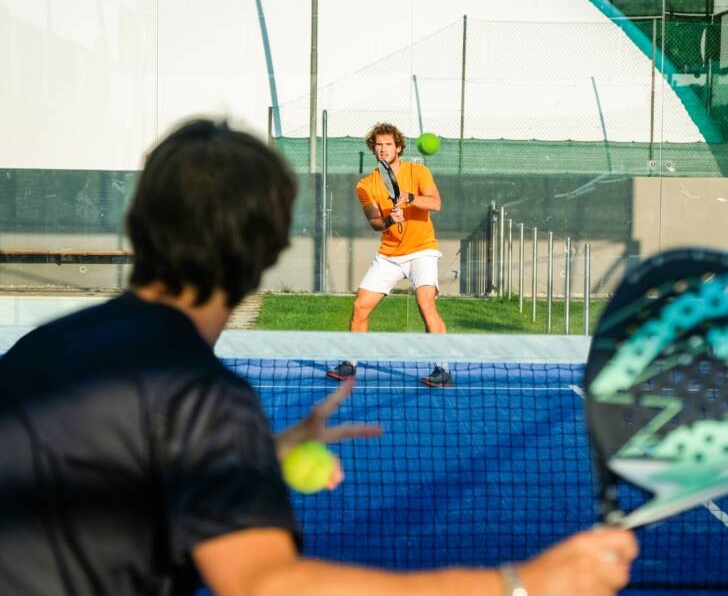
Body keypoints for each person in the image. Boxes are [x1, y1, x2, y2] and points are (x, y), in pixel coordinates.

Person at [0, 119, 637, 596]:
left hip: (416, 250)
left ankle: (438, 357)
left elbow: (104, 472)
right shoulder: (201, 399)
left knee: (421, 306)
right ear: (269, 244)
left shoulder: (37, 351)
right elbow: (266, 585)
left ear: (138, 219)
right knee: (362, 312)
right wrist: (520, 584)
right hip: (388, 254)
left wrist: (243, 457)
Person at [327, 122, 453, 388]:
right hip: (389, 254)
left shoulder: (418, 171)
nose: (383, 149)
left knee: (425, 303)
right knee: (360, 306)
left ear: (398, 148)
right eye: (378, 145)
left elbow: (435, 203)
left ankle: (443, 368)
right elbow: (374, 221)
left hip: (422, 250)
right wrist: (388, 220)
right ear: (373, 149)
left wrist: (409, 198)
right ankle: (351, 364)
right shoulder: (366, 185)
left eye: (388, 144)